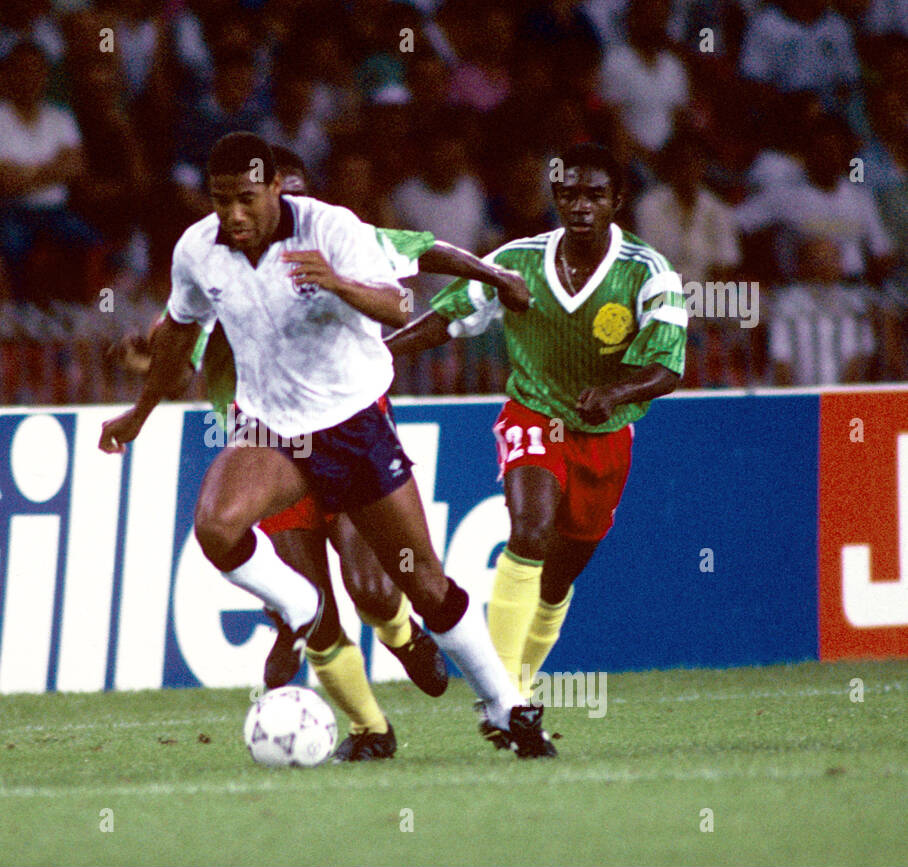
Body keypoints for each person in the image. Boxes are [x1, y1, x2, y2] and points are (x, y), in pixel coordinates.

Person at [100, 132, 554, 759]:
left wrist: (339, 284)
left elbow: (400, 305)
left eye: (246, 200)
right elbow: (178, 332)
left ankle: (507, 706)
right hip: (269, 429)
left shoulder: (333, 228)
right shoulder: (198, 249)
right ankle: (302, 609)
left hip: (351, 424)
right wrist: (139, 413)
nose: (233, 214)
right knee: (216, 526)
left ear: (274, 190)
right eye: (220, 200)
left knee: (418, 583)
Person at [386, 143, 687, 746]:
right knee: (529, 531)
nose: (581, 206)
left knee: (558, 579)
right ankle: (500, 701)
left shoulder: (648, 272)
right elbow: (447, 318)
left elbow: (669, 367)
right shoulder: (514, 263)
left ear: (616, 202)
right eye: (570, 194)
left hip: (605, 435)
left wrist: (616, 392)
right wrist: (378, 353)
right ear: (555, 199)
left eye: (594, 195)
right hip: (534, 412)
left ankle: (516, 688)